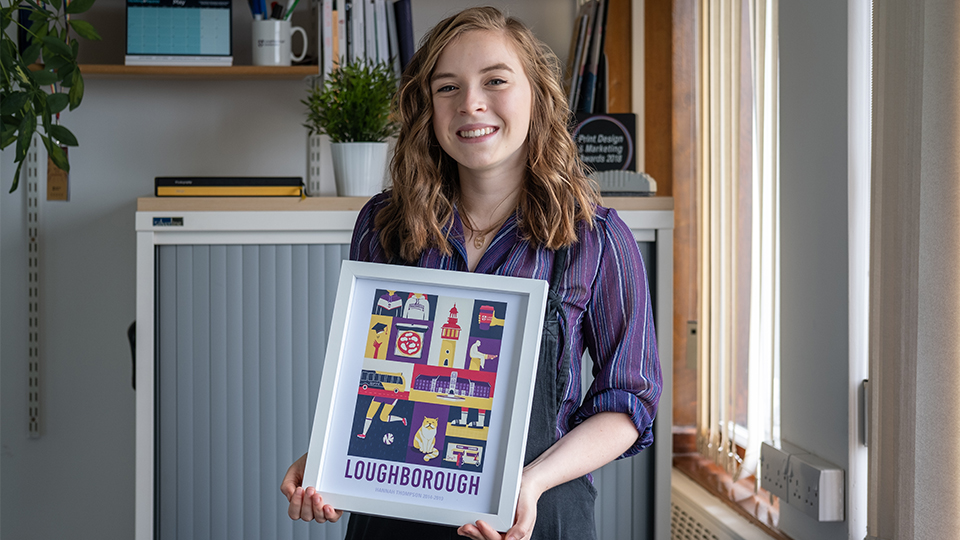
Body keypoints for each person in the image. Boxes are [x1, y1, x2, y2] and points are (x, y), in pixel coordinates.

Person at [280, 7, 661, 540]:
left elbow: (630, 401)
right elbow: (373, 381)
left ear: (537, 94)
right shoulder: (384, 223)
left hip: (535, 514)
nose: (471, 104)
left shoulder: (596, 238)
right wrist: (327, 457)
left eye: (496, 81)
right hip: (397, 519)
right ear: (427, 108)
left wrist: (527, 485)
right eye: (447, 87)